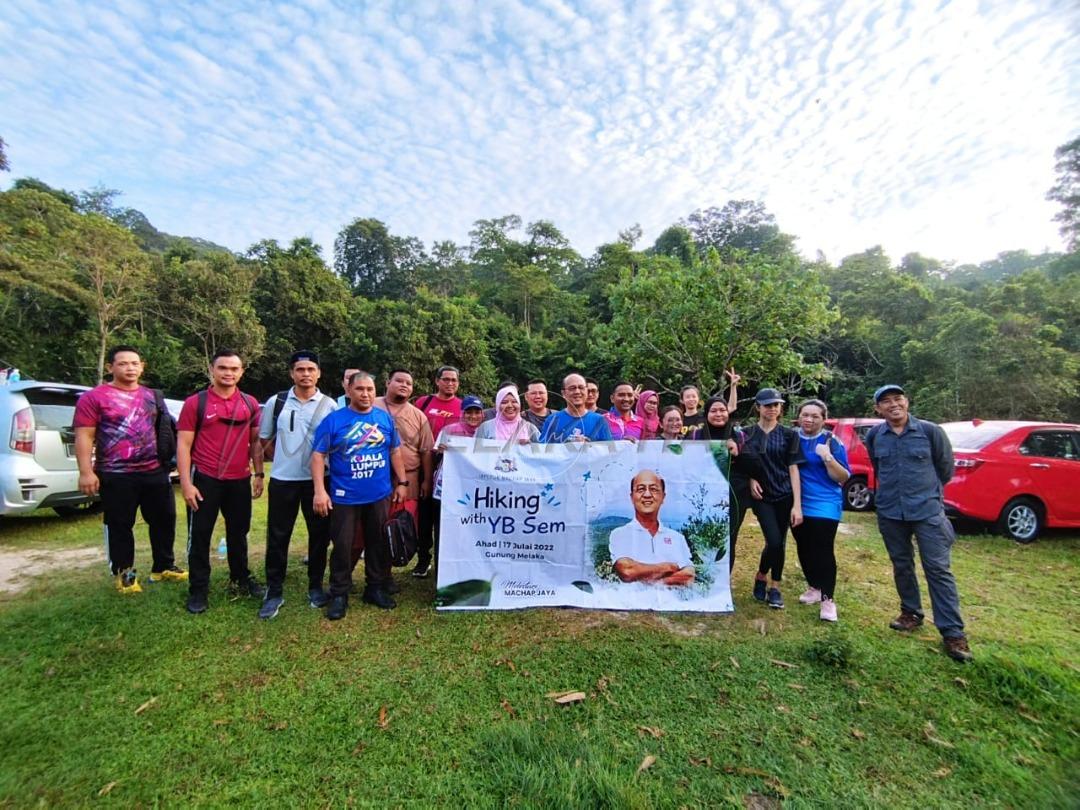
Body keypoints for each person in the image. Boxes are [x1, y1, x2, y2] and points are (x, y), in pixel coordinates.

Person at [865, 384, 972, 662]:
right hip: (890, 512)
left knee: (938, 569)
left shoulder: (930, 431)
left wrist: (927, 496)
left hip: (927, 512)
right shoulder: (876, 435)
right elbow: (878, 469)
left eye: (897, 399)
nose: (893, 405)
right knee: (901, 564)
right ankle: (910, 612)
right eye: (885, 402)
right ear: (878, 409)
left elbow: (945, 469)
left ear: (907, 402)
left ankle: (952, 633)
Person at [74, 345, 184, 594]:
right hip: (116, 474)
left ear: (142, 366)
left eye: (135, 363)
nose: (130, 368)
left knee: (164, 519)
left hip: (155, 470)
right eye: (123, 363)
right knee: (120, 524)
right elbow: (84, 436)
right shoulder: (94, 398)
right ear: (110, 367)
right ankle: (125, 574)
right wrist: (85, 471)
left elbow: (165, 429)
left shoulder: (152, 396)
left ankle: (163, 566)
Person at [312, 372, 408, 618]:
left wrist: (402, 482)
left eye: (369, 389)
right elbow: (318, 455)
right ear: (349, 391)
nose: (365, 394)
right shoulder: (334, 421)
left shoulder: (383, 419)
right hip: (345, 496)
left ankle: (374, 588)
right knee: (343, 545)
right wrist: (320, 491)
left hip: (379, 494)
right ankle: (339, 593)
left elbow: (395, 451)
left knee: (377, 542)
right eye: (359, 389)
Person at [177, 349, 264, 614]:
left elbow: (255, 442)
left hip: (239, 479)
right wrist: (186, 483)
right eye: (223, 368)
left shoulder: (249, 403)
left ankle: (240, 578)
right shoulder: (196, 403)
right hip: (205, 478)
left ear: (241, 372)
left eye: (234, 369)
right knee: (200, 535)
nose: (228, 373)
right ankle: (198, 589)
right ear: (212, 370)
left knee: (239, 533)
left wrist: (258, 474)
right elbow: (183, 444)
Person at [256, 350, 337, 620]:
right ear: (292, 373)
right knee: (278, 537)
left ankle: (315, 587)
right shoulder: (277, 402)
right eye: (300, 370)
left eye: (310, 369)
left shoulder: (329, 406)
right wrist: (258, 474)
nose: (305, 374)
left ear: (319, 373)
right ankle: (274, 590)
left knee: (319, 537)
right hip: (283, 480)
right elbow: (262, 439)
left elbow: (335, 447)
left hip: (318, 484)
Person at [790, 399, 850, 622]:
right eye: (805, 415)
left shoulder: (832, 441)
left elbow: (843, 477)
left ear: (823, 419)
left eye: (815, 416)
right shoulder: (793, 437)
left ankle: (828, 599)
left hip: (825, 502)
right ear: (799, 416)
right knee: (804, 547)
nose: (809, 419)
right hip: (797, 500)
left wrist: (827, 457)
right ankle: (814, 586)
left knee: (823, 550)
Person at [744, 388, 804, 609]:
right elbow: (742, 463)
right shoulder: (746, 433)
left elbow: (793, 468)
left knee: (779, 543)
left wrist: (797, 505)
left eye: (776, 405)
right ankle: (762, 575)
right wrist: (751, 479)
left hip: (785, 494)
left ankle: (774, 585)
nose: (772, 409)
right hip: (762, 497)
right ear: (758, 407)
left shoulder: (790, 434)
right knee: (775, 540)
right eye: (768, 405)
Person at [691, 396, 756, 572]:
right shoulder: (695, 435)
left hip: (734, 496)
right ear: (706, 414)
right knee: (702, 537)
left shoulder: (740, 436)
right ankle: (703, 578)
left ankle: (723, 584)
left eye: (722, 410)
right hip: (703, 496)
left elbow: (754, 466)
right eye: (714, 411)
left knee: (729, 539)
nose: (718, 414)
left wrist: (738, 452)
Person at [414, 365, 462, 581]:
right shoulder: (423, 403)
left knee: (445, 520)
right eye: (446, 379)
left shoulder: (464, 407)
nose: (450, 383)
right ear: (437, 381)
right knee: (424, 519)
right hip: (425, 465)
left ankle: (444, 563)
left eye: (454, 380)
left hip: (452, 471)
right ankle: (423, 560)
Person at [609, 470, 695, 586]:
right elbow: (627, 571)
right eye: (641, 489)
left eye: (654, 489)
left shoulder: (677, 538)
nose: (647, 495)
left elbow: (688, 576)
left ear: (663, 497)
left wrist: (651, 583)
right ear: (632, 497)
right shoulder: (619, 534)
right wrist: (669, 567)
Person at [431, 396, 485, 556]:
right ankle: (442, 569)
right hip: (448, 488)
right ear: (462, 412)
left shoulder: (486, 433)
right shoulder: (449, 431)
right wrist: (440, 452)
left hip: (474, 491)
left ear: (482, 414)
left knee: (470, 529)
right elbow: (434, 457)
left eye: (477, 412)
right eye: (469, 412)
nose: (473, 416)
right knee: (444, 529)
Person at [539, 373, 613, 443]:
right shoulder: (552, 420)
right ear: (563, 393)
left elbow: (610, 451)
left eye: (581, 388)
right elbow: (541, 450)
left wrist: (590, 446)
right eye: (572, 388)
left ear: (586, 391)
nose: (577, 391)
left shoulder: (599, 420)